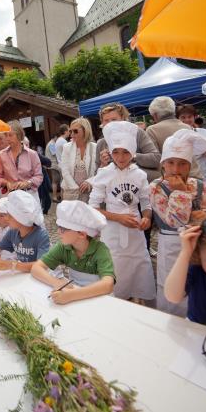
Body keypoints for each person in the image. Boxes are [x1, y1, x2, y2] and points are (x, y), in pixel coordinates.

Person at [150, 129, 206, 316]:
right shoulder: (156, 188)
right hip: (170, 244)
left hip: (196, 244)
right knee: (172, 285)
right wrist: (181, 193)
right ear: (163, 165)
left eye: (182, 164)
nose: (176, 170)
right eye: (170, 163)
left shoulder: (199, 185)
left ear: (189, 165)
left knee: (194, 283)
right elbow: (175, 219)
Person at [89, 121, 156, 302]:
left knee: (138, 264)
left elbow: (146, 202)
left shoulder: (140, 175)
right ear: (110, 152)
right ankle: (116, 300)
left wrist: (147, 218)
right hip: (112, 231)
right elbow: (93, 207)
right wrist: (118, 217)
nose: (120, 157)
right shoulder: (103, 174)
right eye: (116, 152)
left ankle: (138, 297)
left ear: (133, 152)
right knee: (115, 265)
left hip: (135, 230)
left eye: (125, 152)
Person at [31, 201, 115, 304]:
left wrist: (71, 295)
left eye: (63, 229)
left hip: (99, 299)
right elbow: (36, 268)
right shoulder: (63, 246)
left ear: (82, 234)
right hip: (75, 297)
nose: (58, 232)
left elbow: (108, 284)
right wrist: (56, 282)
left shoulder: (100, 250)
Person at [165, 219, 206, 326]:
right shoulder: (197, 269)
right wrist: (185, 252)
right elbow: (172, 296)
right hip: (196, 330)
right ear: (199, 254)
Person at [0, 190, 50, 272]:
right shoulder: (13, 232)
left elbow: (41, 266)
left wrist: (11, 265)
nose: (7, 219)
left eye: (10, 216)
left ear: (21, 219)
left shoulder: (41, 236)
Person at [95, 103, 160, 181]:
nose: (110, 123)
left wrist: (132, 155)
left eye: (114, 119)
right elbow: (96, 177)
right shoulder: (102, 143)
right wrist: (103, 164)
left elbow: (156, 159)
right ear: (102, 122)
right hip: (115, 190)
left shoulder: (137, 133)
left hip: (141, 185)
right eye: (106, 120)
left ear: (123, 118)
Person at [176, 104, 206, 210]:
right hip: (188, 181)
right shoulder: (175, 137)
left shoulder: (203, 132)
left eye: (189, 117)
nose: (186, 120)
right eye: (183, 117)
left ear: (195, 117)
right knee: (195, 212)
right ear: (178, 119)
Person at [0, 120, 43, 203]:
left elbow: (39, 176)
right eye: (6, 135)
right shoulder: (1, 155)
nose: (8, 138)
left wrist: (28, 182)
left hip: (29, 195)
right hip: (10, 196)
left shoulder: (32, 154)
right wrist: (6, 183)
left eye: (11, 135)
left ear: (19, 135)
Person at [61, 117, 96, 202]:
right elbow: (65, 170)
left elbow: (99, 170)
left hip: (90, 192)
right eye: (70, 131)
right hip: (71, 192)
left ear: (85, 131)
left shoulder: (95, 147)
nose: (72, 134)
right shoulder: (67, 147)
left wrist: (90, 182)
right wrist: (75, 188)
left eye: (75, 131)